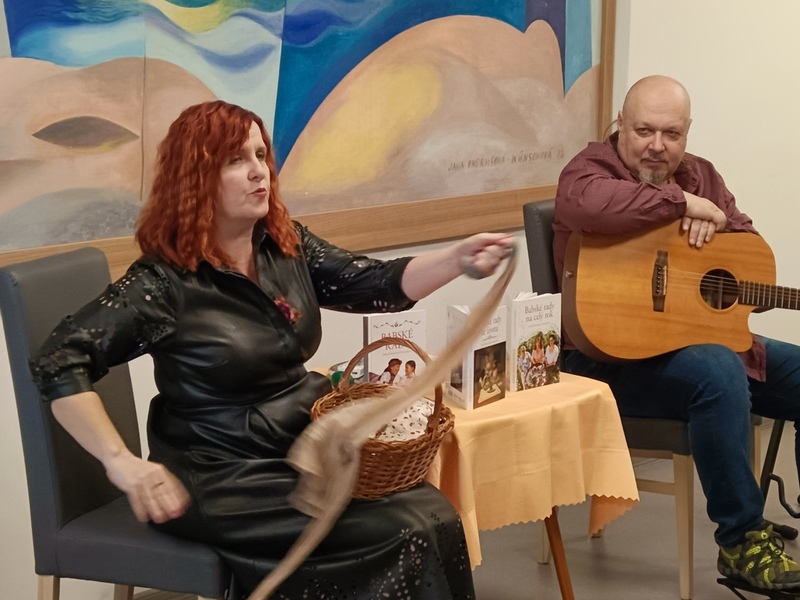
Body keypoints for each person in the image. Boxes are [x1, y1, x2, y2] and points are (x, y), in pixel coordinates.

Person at [29, 100, 514, 600]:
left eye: (261, 155)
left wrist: (457, 259)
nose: (258, 170)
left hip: (295, 450)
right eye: (236, 159)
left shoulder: (286, 246)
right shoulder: (162, 284)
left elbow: (373, 282)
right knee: (400, 530)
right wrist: (122, 463)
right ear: (195, 177)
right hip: (221, 475)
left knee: (434, 513)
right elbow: (58, 360)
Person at [553, 74, 800, 592]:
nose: (657, 146)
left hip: (694, 350)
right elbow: (586, 205)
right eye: (644, 130)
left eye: (672, 134)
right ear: (620, 125)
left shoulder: (701, 174)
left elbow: (748, 246)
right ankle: (741, 542)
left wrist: (720, 227)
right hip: (606, 363)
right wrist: (682, 204)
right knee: (718, 369)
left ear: (687, 133)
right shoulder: (589, 171)